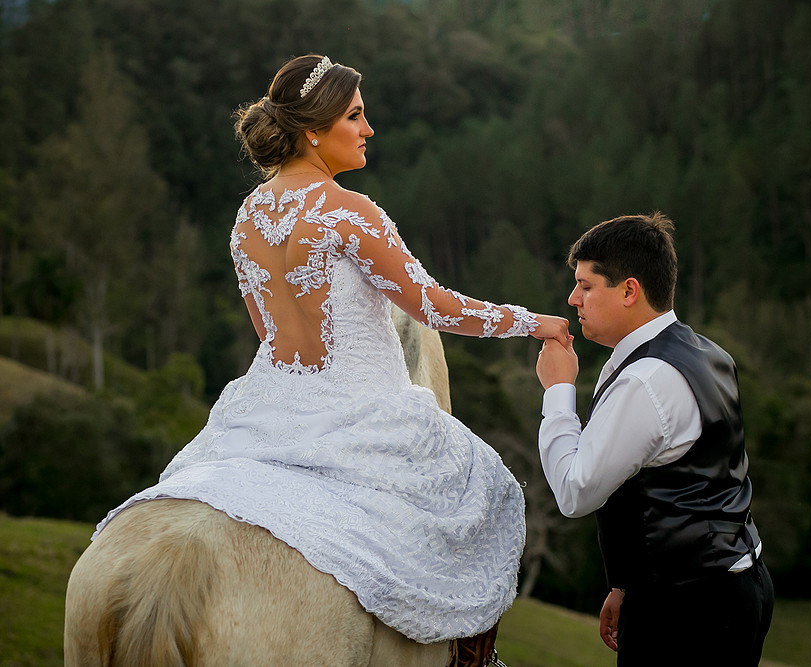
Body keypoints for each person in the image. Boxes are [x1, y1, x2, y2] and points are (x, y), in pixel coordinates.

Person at [92, 54, 569, 653]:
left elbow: (266, 330)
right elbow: (432, 306)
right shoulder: (349, 211)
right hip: (363, 407)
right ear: (314, 131)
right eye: (356, 116)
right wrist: (533, 322)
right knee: (484, 486)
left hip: (266, 407)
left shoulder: (247, 218)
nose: (369, 129)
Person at [534, 213, 773, 665]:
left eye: (586, 286)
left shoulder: (644, 379)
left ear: (629, 290)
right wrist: (626, 583)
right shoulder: (705, 352)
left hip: (689, 610)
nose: (572, 299)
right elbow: (685, 484)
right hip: (733, 583)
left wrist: (558, 391)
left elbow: (574, 490)